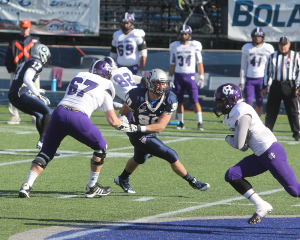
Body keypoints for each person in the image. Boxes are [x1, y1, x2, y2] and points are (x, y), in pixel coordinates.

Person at [18, 60, 130, 198]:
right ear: (107, 74)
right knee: (101, 147)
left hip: (58, 113)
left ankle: (26, 185)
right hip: (77, 117)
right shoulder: (107, 84)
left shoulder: (79, 75)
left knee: (46, 152)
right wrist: (125, 125)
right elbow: (113, 121)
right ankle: (91, 187)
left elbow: (85, 96)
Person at [213, 83, 300, 225]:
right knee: (232, 174)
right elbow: (243, 147)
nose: (219, 105)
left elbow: (239, 145)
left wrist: (228, 139)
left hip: (272, 152)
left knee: (294, 190)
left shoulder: (242, 111)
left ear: (230, 100)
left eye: (221, 101)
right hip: (260, 156)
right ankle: (261, 205)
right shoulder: (233, 113)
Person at [114, 68, 210, 194]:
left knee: (140, 159)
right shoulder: (136, 95)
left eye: (163, 83)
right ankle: (193, 181)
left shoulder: (169, 98)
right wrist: (123, 121)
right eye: (157, 83)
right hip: (136, 134)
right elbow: (123, 112)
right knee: (171, 154)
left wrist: (136, 127)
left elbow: (160, 127)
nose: (161, 86)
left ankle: (122, 178)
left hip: (146, 130)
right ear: (149, 83)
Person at [8, 44, 54, 152]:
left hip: (13, 96)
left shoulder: (25, 62)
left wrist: (34, 92)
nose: (46, 58)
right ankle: (43, 141)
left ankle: (44, 145)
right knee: (49, 112)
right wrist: (37, 94)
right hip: (21, 94)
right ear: (42, 54)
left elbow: (21, 81)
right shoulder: (36, 62)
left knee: (40, 115)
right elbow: (27, 79)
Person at [261, 36, 300, 141]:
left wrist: (298, 86)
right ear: (278, 45)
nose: (283, 47)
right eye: (281, 45)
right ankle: (267, 132)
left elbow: (299, 72)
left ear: (289, 44)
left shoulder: (296, 56)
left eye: (285, 45)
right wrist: (264, 86)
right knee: (271, 110)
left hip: (290, 86)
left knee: (293, 111)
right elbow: (267, 72)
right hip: (276, 85)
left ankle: (297, 133)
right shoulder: (272, 56)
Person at [168, 24, 205, 131]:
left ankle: (200, 123)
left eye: (185, 34)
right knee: (179, 101)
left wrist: (201, 76)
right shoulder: (174, 46)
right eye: (182, 34)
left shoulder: (194, 45)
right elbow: (172, 63)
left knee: (195, 100)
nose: (183, 36)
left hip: (190, 76)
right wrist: (170, 78)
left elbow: (199, 63)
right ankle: (181, 123)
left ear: (189, 34)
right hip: (178, 77)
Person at [5, 19, 41, 125]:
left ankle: (36, 117)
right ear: (20, 27)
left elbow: (40, 56)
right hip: (17, 72)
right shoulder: (14, 40)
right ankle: (14, 117)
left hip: (33, 72)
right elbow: (8, 57)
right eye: (23, 27)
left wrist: (37, 70)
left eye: (26, 28)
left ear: (29, 28)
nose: (24, 30)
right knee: (14, 94)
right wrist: (11, 69)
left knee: (35, 94)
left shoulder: (35, 40)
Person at [239, 27, 274, 117]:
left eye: (259, 36)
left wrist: (269, 83)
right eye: (255, 36)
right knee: (248, 103)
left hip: (262, 79)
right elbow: (243, 66)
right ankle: (248, 121)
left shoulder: (268, 48)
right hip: (249, 79)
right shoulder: (247, 48)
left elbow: (271, 67)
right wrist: (241, 81)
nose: (257, 38)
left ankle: (256, 122)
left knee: (259, 102)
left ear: (263, 37)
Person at [102, 56, 141, 121]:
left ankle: (121, 109)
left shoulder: (108, 75)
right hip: (139, 94)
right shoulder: (125, 69)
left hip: (129, 101)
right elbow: (143, 79)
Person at [110, 12, 147, 78]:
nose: (125, 25)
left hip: (134, 68)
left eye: (127, 23)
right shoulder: (117, 35)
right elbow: (113, 55)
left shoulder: (137, 34)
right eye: (124, 23)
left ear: (131, 23)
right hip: (119, 67)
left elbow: (143, 55)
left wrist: (140, 70)